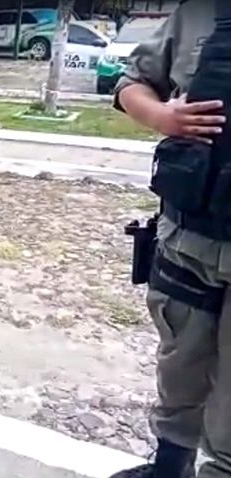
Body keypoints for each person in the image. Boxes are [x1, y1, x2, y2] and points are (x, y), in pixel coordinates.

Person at [110, 1, 231, 477]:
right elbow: (130, 83)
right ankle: (169, 469)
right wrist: (162, 117)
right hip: (188, 239)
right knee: (179, 366)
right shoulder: (199, 14)